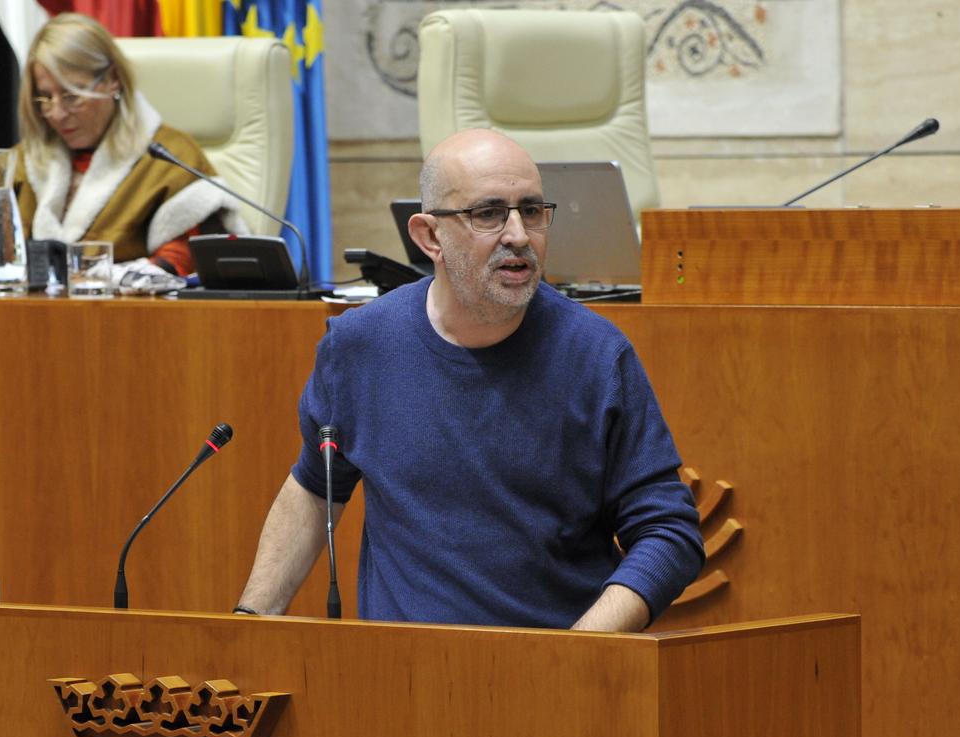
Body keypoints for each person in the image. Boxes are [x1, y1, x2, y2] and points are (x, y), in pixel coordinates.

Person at [236, 129, 704, 631]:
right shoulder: (359, 347)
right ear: (429, 236)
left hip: (554, 678)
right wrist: (250, 623)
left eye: (532, 210)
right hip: (403, 679)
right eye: (488, 214)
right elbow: (313, 490)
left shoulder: (595, 355)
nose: (519, 235)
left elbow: (667, 532)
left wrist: (581, 652)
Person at [12, 13, 246, 276]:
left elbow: (178, 266)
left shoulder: (171, 159)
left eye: (71, 96)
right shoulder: (22, 162)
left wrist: (100, 278)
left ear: (113, 79)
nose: (56, 113)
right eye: (45, 98)